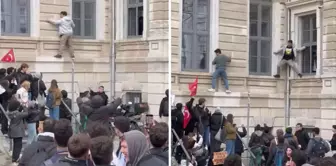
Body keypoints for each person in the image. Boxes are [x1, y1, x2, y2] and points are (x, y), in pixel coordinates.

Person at [7, 99, 30, 165]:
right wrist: (24, 107)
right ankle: (16, 159)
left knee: (15, 145)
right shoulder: (18, 114)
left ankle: (14, 158)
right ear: (16, 106)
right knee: (18, 146)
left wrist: (19, 109)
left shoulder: (11, 113)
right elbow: (26, 113)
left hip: (13, 131)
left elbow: (18, 113)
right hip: (18, 132)